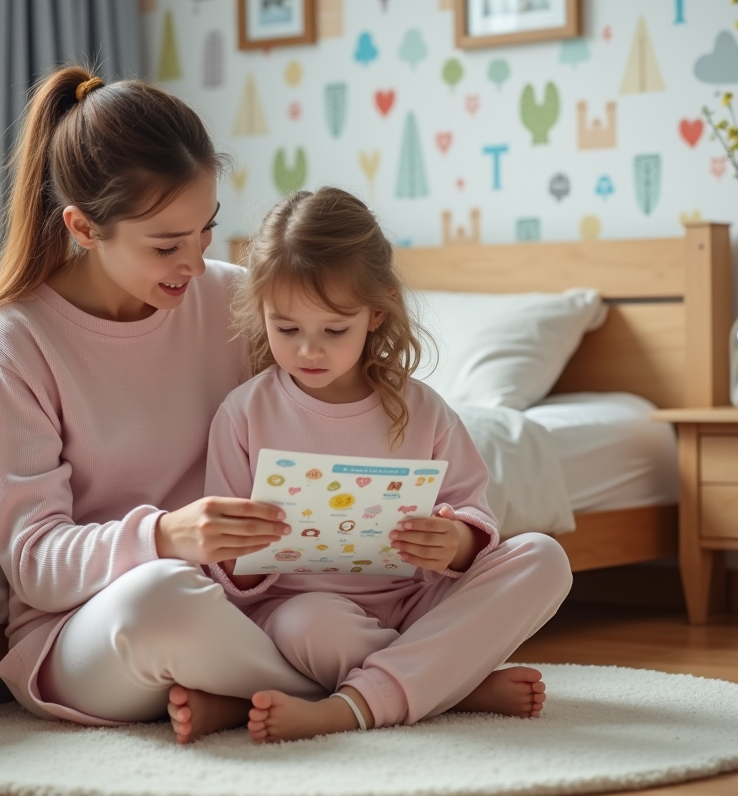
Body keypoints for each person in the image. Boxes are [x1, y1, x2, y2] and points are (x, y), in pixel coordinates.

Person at [0, 66, 326, 743]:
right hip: (91, 628)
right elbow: (33, 561)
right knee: (163, 598)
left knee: (520, 557)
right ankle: (366, 698)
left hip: (242, 602)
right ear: (85, 228)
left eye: (205, 230)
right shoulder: (15, 339)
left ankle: (248, 698)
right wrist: (165, 536)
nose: (195, 262)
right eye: (166, 245)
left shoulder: (234, 300)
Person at [205, 187, 573, 743]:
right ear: (261, 311)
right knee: (310, 625)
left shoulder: (422, 409)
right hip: (309, 613)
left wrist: (455, 540)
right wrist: (249, 552)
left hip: (416, 605)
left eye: (333, 330)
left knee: (544, 557)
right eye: (286, 329)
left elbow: (477, 515)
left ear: (376, 313)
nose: (309, 351)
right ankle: (453, 686)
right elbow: (227, 569)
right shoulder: (244, 413)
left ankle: (364, 697)